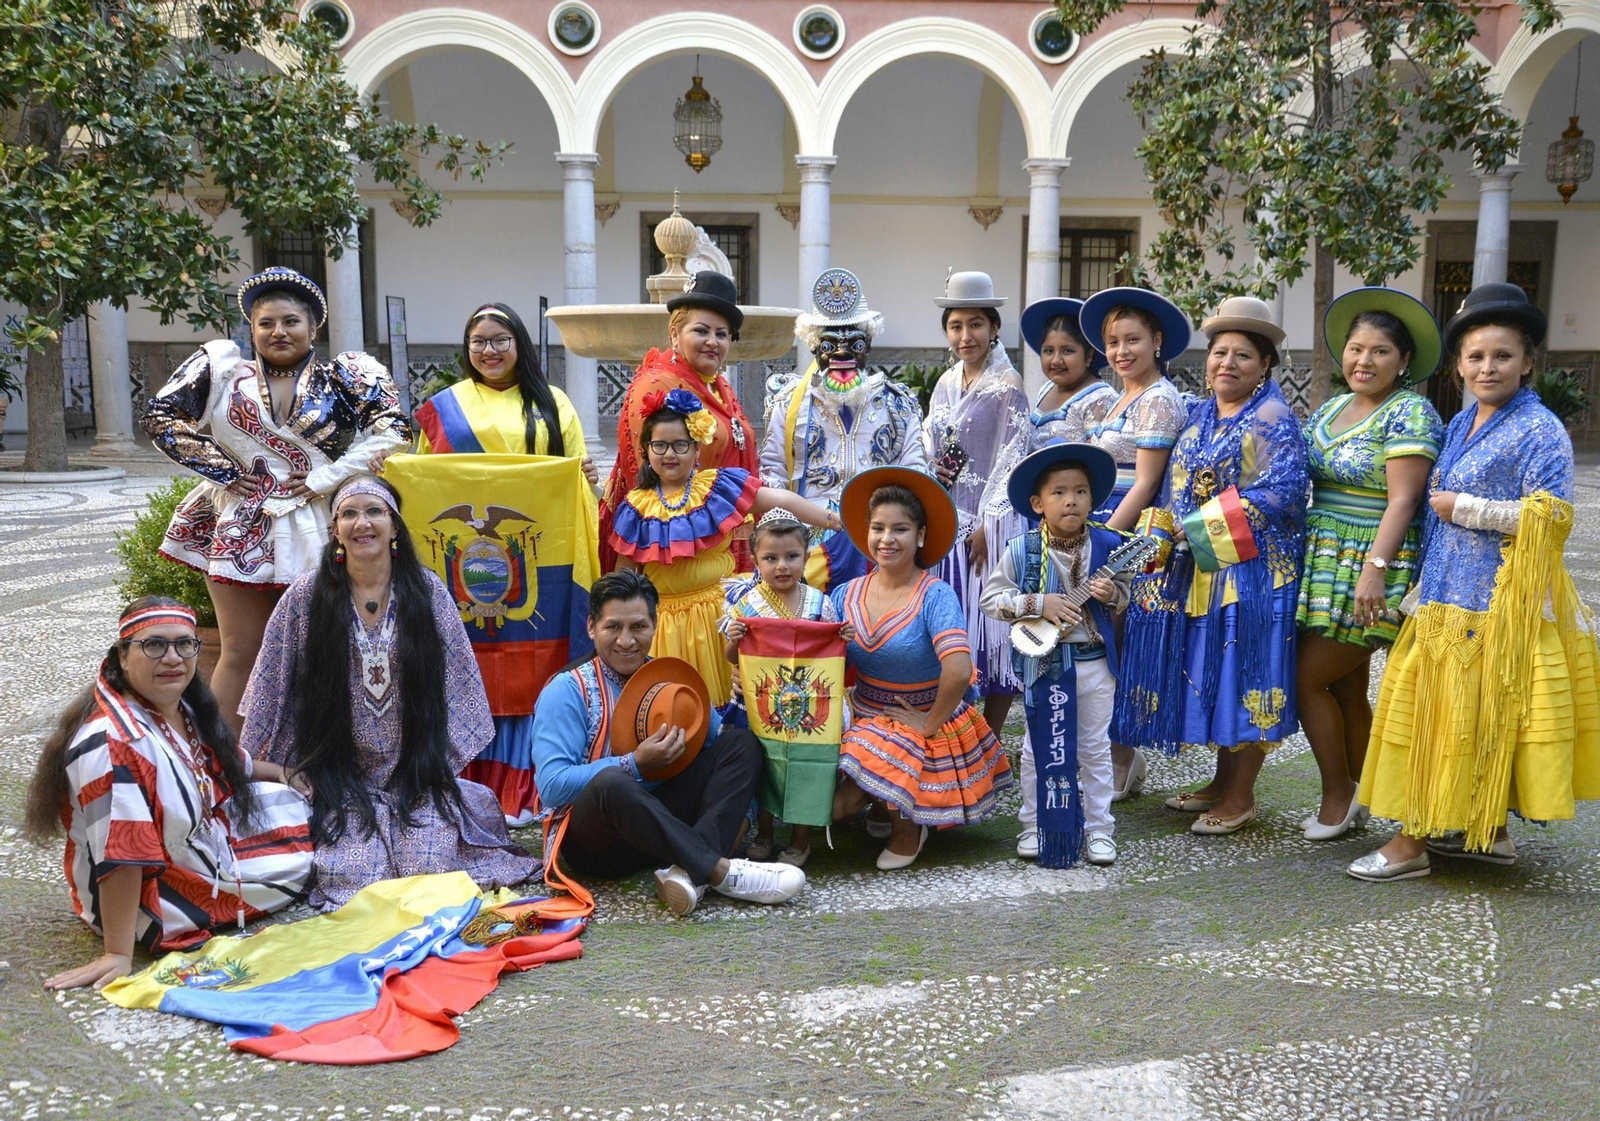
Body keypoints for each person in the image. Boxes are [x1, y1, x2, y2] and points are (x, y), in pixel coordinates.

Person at [1349, 283, 1600, 881]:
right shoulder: (1463, 420)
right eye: (1476, 357)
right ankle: (1487, 832)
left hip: (1498, 605)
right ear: (1459, 366)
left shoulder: (1540, 429)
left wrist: (1466, 508)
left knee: (1458, 718)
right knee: (1459, 718)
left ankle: (1410, 844)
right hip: (1446, 595)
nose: (1488, 367)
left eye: (1502, 356)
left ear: (1528, 363)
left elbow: (1553, 516)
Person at [238, 476, 541, 910]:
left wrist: (434, 765)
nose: (362, 523)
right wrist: (278, 768)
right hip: (339, 778)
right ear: (335, 530)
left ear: (394, 526)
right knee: (354, 880)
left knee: (430, 871)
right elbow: (271, 683)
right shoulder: (305, 596)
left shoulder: (427, 591)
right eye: (349, 514)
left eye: (374, 512)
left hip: (414, 776)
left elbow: (462, 683)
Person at [144, 267, 409, 730]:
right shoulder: (223, 371)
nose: (278, 332)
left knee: (325, 648)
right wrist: (225, 470)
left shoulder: (346, 375)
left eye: (290, 321)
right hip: (239, 522)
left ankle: (322, 757)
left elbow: (394, 432)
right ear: (251, 330)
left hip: (321, 521)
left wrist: (327, 477)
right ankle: (223, 760)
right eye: (265, 323)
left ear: (313, 327)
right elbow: (161, 417)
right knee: (240, 650)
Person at [377, 302, 599, 826]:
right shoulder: (444, 407)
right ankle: (465, 780)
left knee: (538, 660)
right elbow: (423, 482)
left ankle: (529, 781)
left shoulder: (552, 405)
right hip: (462, 564)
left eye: (500, 339)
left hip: (539, 561)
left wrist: (584, 478)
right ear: (466, 347)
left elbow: (577, 479)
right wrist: (391, 469)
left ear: (519, 343)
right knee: (464, 658)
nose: (489, 350)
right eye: (478, 341)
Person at [25, 598, 312, 990]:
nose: (173, 658)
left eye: (184, 644)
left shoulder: (175, 707)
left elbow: (224, 764)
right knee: (309, 858)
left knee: (304, 805)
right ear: (123, 657)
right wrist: (117, 953)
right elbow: (122, 853)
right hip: (148, 896)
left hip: (190, 846)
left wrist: (280, 773)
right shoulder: (114, 743)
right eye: (155, 645)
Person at [1113, 297, 1307, 835]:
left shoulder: (1272, 419)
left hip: (1253, 574)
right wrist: (1154, 539)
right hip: (1200, 569)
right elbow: (1171, 487)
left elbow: (1282, 495)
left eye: (1242, 355)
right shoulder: (1199, 414)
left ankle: (1241, 796)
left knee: (1245, 674)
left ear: (1264, 365)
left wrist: (1194, 530)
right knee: (1217, 675)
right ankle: (1222, 783)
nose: (1227, 363)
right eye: (1220, 353)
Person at [528, 570, 808, 918]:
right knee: (612, 782)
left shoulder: (669, 679)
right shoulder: (566, 690)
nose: (626, 640)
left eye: (638, 627)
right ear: (591, 627)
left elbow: (720, 745)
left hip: (661, 832)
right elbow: (552, 787)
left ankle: (686, 873)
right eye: (613, 627)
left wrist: (744, 816)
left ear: (654, 626)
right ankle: (719, 870)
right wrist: (634, 763)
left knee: (742, 744)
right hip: (599, 844)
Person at [1296, 288, 1443, 841]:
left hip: (1373, 560)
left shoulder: (1410, 411)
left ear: (1403, 361)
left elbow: (1405, 499)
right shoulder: (1331, 408)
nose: (1364, 360)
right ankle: (1375, 795)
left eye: (1380, 351)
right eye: (1356, 348)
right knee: (1344, 687)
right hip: (1322, 558)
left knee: (1305, 679)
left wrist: (1375, 569)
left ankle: (1339, 793)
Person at [829, 466, 1014, 870]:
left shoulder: (936, 595)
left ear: (921, 536)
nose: (887, 539)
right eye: (878, 528)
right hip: (863, 711)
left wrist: (928, 724)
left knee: (845, 799)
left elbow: (959, 671)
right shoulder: (845, 594)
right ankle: (882, 802)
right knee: (834, 808)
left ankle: (907, 828)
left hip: (923, 715)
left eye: (900, 529)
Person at [609, 389, 839, 707]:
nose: (669, 454)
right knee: (677, 708)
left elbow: (781, 499)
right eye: (660, 445)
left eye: (680, 445)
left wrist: (833, 519)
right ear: (647, 450)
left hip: (723, 618)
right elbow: (623, 580)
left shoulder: (716, 488)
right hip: (666, 626)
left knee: (733, 708)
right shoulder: (636, 508)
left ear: (696, 449)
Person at [980, 442, 1131, 866]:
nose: (1071, 501)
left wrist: (1112, 593)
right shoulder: (1021, 548)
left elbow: (1126, 595)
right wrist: (1037, 603)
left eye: (1080, 491)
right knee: (1036, 748)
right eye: (1059, 492)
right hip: (1044, 665)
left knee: (1095, 749)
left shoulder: (1109, 544)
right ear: (1037, 504)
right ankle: (1034, 825)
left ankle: (1099, 829)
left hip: (1094, 662)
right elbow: (991, 600)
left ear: (1092, 499)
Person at [1076, 286, 1193, 803]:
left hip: (1132, 533)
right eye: (1113, 342)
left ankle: (1121, 756)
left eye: (1133, 340)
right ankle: (1104, 752)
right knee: (1099, 644)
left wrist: (1103, 547)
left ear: (1157, 341)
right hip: (1103, 521)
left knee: (1117, 645)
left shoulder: (1159, 399)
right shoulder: (1121, 396)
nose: (1122, 351)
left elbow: (1145, 483)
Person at [762, 268, 927, 594]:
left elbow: (915, 474)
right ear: (814, 349)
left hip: (878, 539)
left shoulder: (899, 404)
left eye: (855, 343)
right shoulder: (789, 404)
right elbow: (772, 473)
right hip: (806, 544)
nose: (842, 353)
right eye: (829, 344)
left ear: (868, 346)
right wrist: (782, 536)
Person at [923, 270, 1030, 733]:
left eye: (976, 324)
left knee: (993, 627)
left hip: (988, 524)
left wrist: (990, 523)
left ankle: (990, 734)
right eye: (956, 326)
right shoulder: (945, 382)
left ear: (994, 327)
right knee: (955, 629)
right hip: (948, 519)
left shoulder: (1009, 383)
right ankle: (956, 728)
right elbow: (931, 443)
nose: (965, 336)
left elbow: (1013, 455)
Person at [601, 272, 760, 573]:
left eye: (722, 334)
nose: (712, 342)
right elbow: (646, 478)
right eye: (701, 331)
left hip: (728, 538)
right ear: (674, 335)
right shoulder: (655, 386)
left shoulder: (719, 386)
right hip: (676, 548)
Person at [722, 509, 853, 865]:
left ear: (806, 557)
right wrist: (734, 638)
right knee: (765, 766)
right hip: (762, 704)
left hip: (808, 707)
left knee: (806, 768)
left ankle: (800, 838)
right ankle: (765, 833)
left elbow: (835, 653)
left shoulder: (820, 603)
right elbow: (732, 656)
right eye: (771, 558)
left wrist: (843, 637)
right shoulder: (747, 604)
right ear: (755, 561)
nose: (782, 566)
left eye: (791, 556)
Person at [1017, 297, 1116, 451]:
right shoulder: (1046, 388)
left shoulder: (1100, 398)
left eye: (1067, 351)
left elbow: (1097, 457)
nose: (1056, 360)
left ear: (1089, 355)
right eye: (1048, 351)